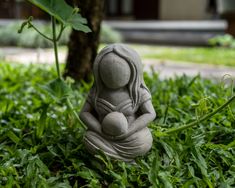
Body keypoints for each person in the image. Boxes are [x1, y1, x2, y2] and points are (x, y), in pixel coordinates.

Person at [79, 44, 156, 161]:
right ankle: (117, 158)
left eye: (120, 71)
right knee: (89, 138)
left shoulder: (138, 92)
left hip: (130, 137)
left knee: (143, 140)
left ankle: (112, 157)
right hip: (102, 136)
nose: (112, 76)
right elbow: (84, 113)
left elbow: (150, 113)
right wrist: (99, 130)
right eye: (106, 71)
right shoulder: (97, 92)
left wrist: (129, 131)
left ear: (133, 70)